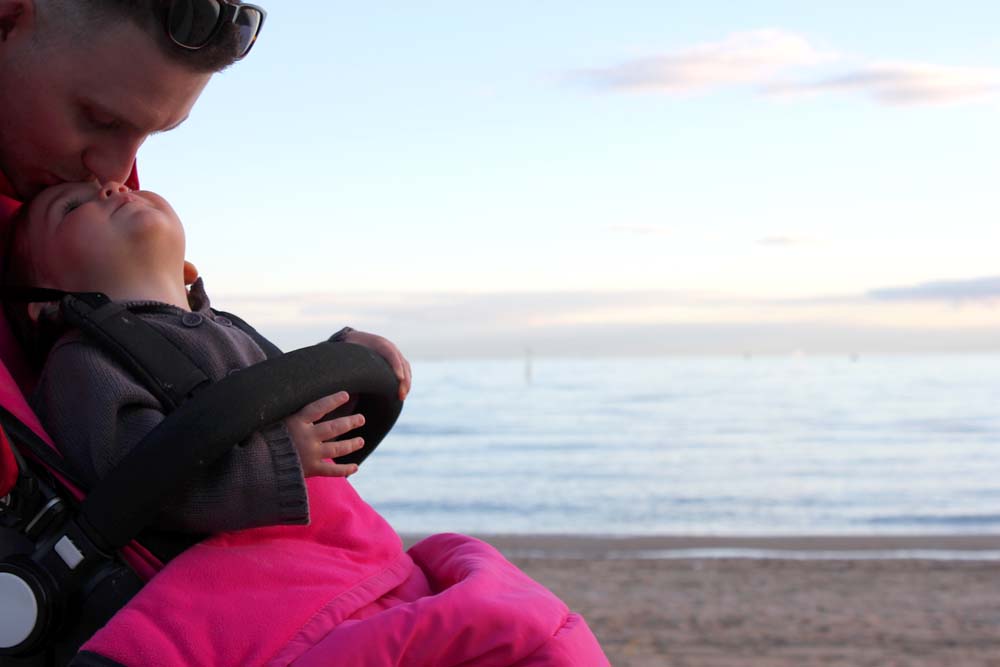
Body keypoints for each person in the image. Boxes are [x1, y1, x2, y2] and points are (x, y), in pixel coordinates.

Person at [5, 179, 405, 534]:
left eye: (124, 186)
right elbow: (137, 485)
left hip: (342, 547)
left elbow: (296, 410)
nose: (116, 187)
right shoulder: (82, 363)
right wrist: (273, 461)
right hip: (246, 572)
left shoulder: (227, 327)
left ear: (185, 269)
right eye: (72, 207)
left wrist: (348, 359)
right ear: (46, 303)